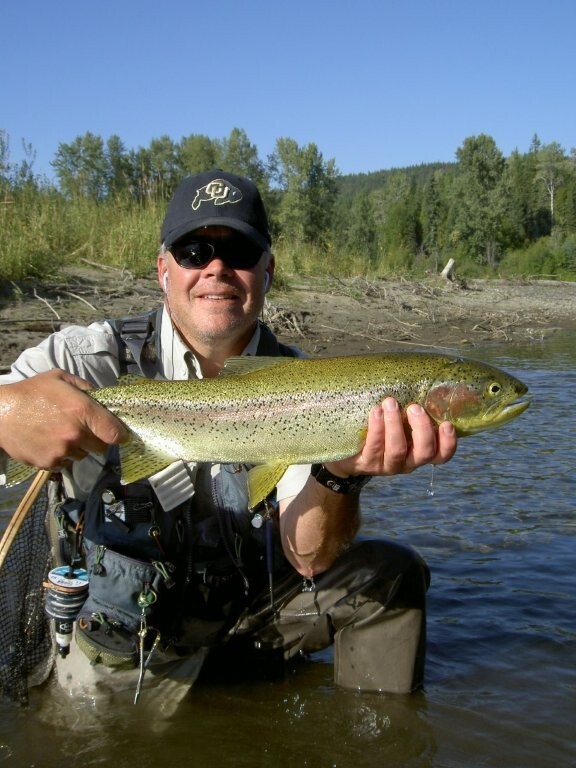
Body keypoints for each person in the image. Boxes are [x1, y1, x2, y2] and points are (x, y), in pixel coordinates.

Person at [0, 169, 457, 715]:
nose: (216, 268)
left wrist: (341, 472)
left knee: (392, 576)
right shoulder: (83, 360)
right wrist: (6, 413)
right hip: (124, 646)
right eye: (194, 251)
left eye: (238, 251)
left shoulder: (309, 390)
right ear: (163, 270)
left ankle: (379, 740)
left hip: (249, 622)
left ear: (267, 271)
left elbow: (309, 558)